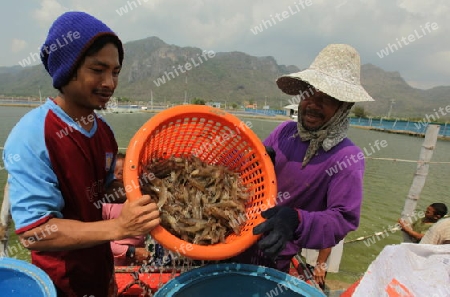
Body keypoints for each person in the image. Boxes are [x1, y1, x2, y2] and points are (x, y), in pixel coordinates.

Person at [2, 11, 160, 296]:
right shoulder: (34, 135)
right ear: (68, 69)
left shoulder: (104, 132)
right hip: (59, 283)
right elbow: (34, 232)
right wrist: (119, 227)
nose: (110, 83)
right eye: (97, 70)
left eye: (115, 72)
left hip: (99, 273)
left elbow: (100, 190)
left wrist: (141, 186)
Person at [232, 44, 375, 273]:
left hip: (272, 255)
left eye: (327, 99)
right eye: (310, 94)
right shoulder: (284, 132)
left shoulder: (347, 157)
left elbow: (342, 220)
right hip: (235, 236)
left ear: (344, 107)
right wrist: (256, 161)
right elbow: (250, 176)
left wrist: (296, 220)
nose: (313, 105)